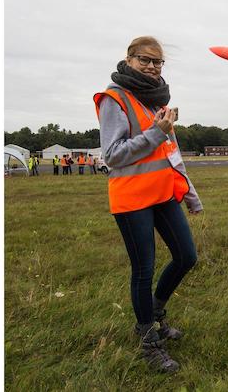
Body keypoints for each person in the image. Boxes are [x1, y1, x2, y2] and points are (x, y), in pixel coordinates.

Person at [94, 36, 203, 373]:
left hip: (162, 194)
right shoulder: (116, 99)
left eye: (158, 62)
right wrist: (156, 132)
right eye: (145, 60)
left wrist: (190, 193)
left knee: (187, 257)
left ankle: (154, 314)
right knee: (143, 269)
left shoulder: (155, 101)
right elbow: (112, 156)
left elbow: (171, 153)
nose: (153, 67)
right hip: (131, 198)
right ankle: (147, 340)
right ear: (128, 59)